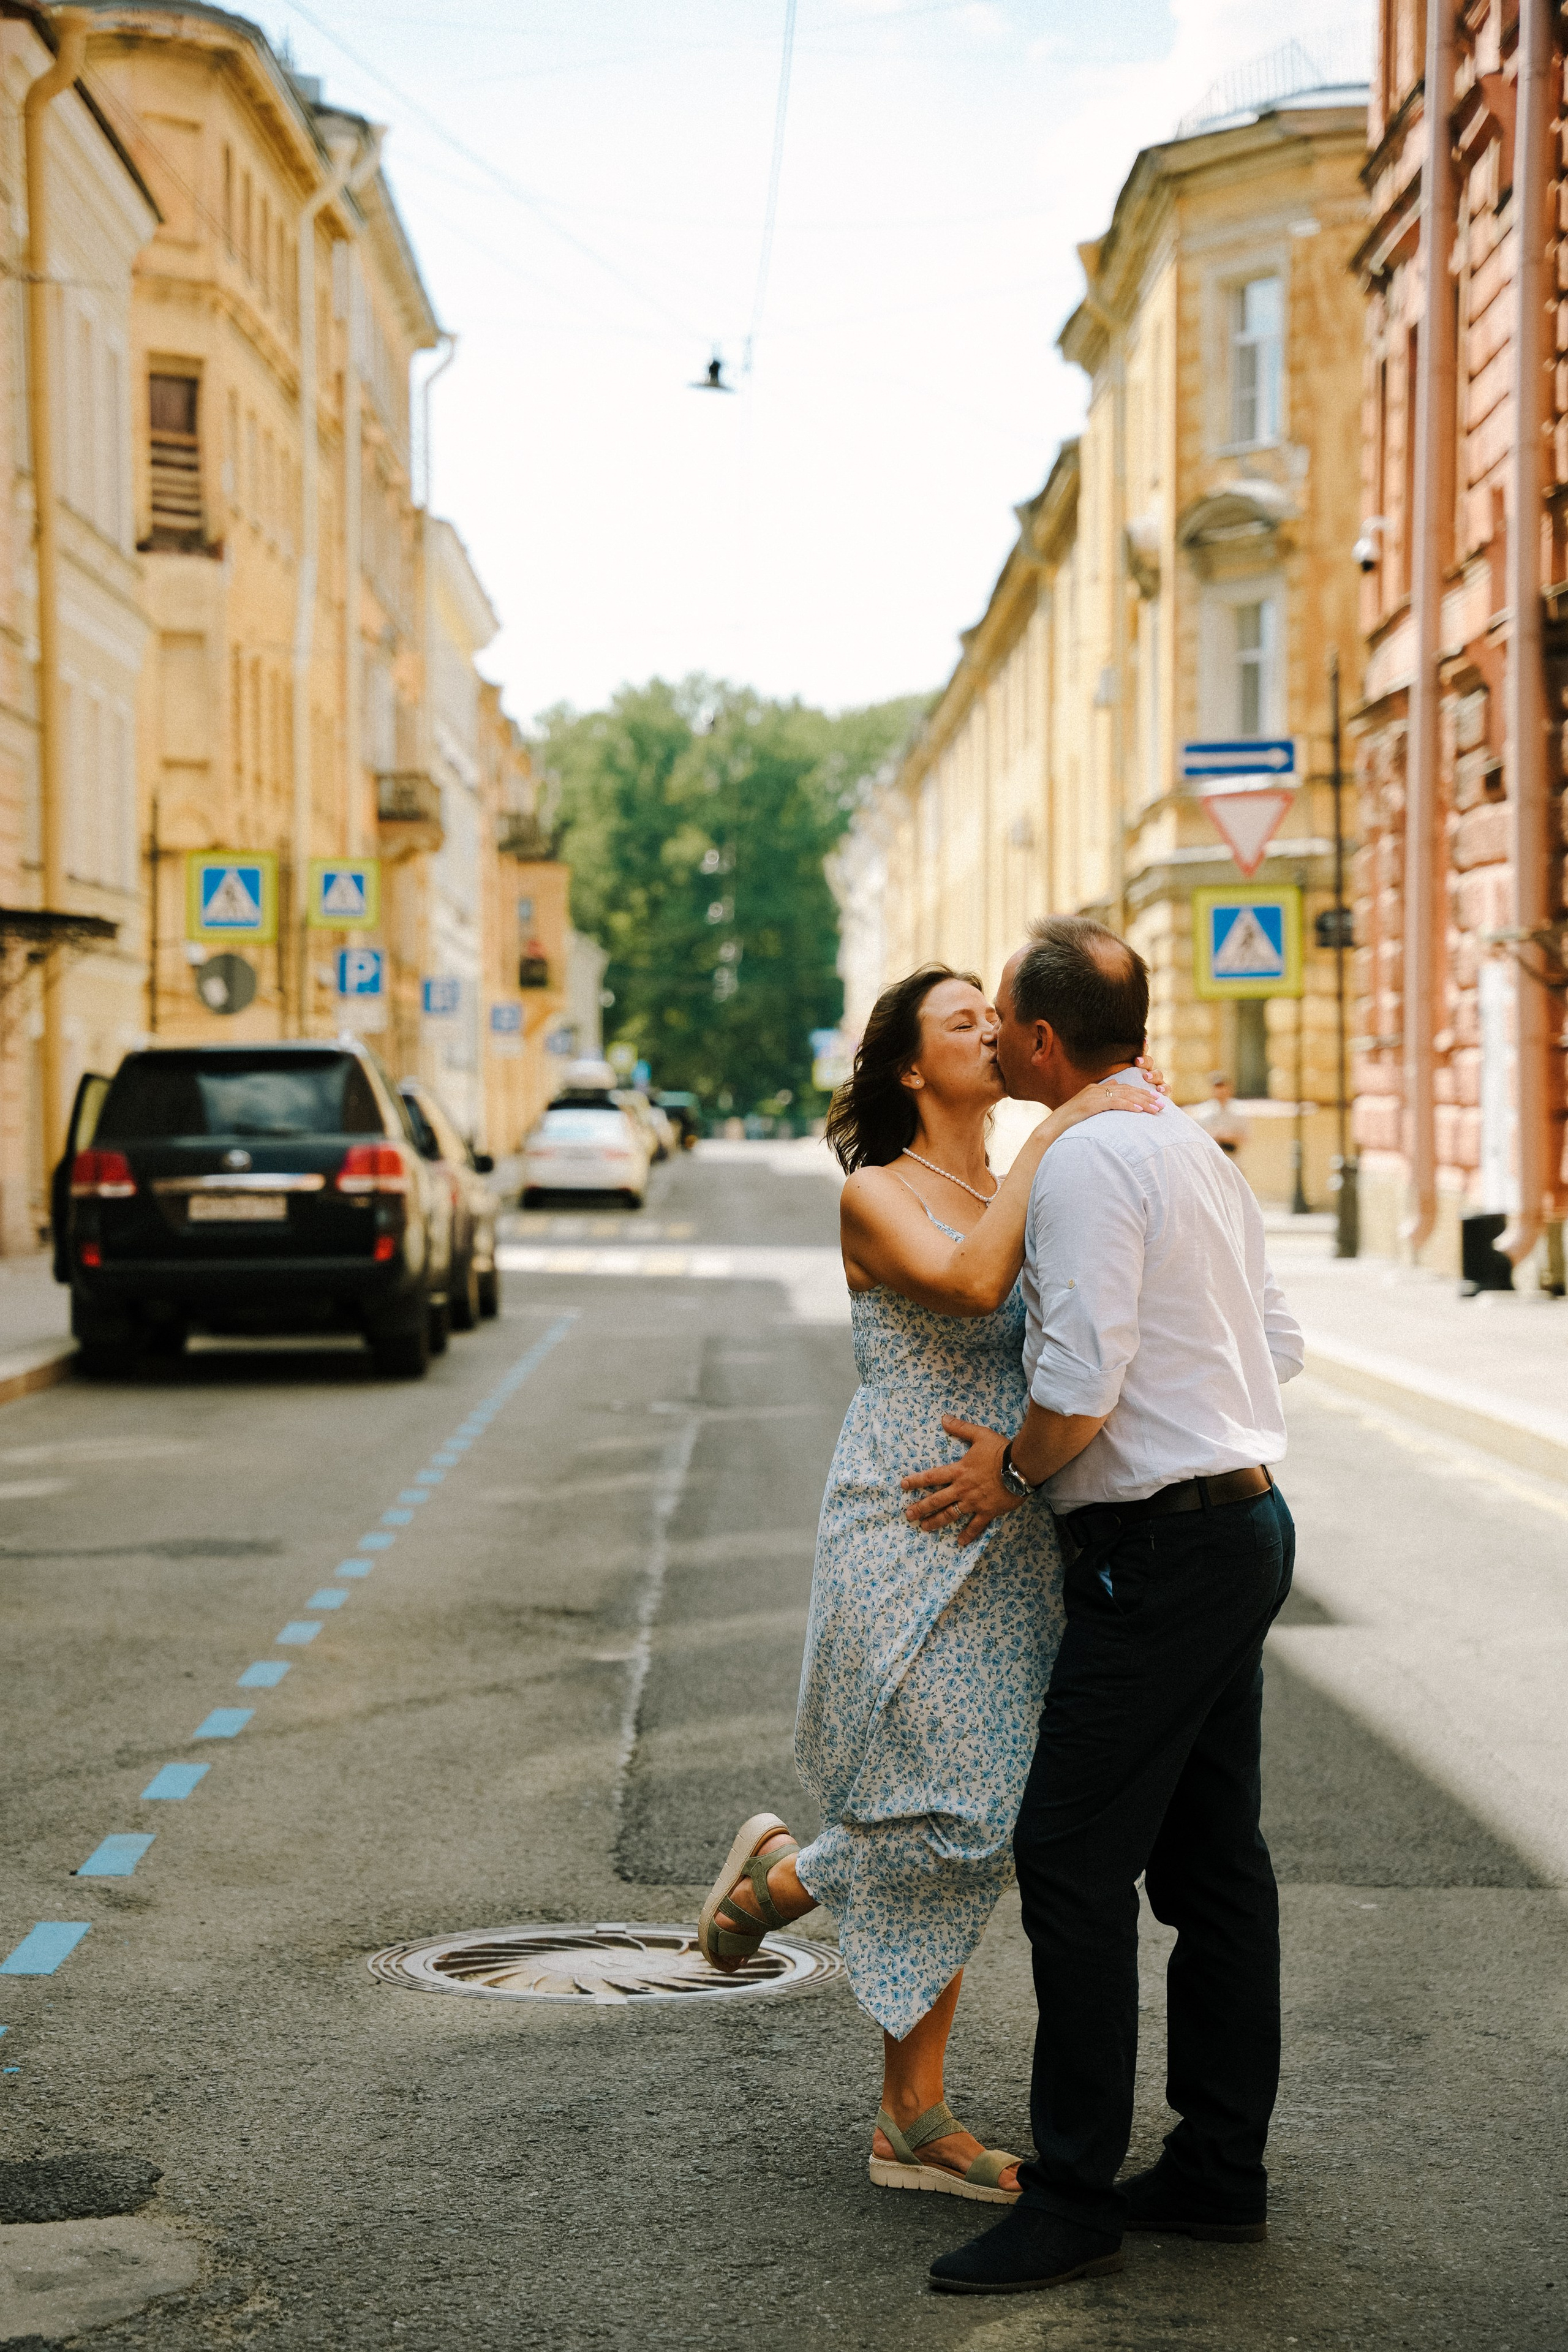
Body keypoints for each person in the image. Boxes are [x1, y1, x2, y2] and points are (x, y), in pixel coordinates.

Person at [696, 963, 1163, 2204]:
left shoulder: (1025, 1177)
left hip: (1010, 1520)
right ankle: (880, 2060)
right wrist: (1066, 1125)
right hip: (906, 1516)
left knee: (973, 1810)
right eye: (961, 1020)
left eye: (993, 1017)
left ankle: (844, 1996)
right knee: (947, 1813)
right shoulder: (874, 1193)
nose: (991, 1031)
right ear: (910, 1066)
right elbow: (963, 1286)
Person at [899, 916, 1303, 2295]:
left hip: (1157, 1547)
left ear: (1044, 1042)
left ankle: (1068, 2196)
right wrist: (1199, 1407)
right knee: (1210, 1867)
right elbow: (1282, 1338)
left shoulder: (1082, 1161)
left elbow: (1076, 1382)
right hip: (1238, 1520)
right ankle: (1214, 2170)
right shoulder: (1187, 1148)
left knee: (1070, 1863)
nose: (995, 1036)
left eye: (1002, 1020)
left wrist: (1005, 1469)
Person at [1189, 1070, 1250, 1157]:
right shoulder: (1202, 1111)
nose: (1221, 1091)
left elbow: (1245, 1137)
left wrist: (1227, 1136)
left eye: (1223, 1086)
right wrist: (1213, 1133)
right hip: (1210, 1157)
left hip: (1232, 1157)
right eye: (1217, 1087)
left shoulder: (1239, 1110)